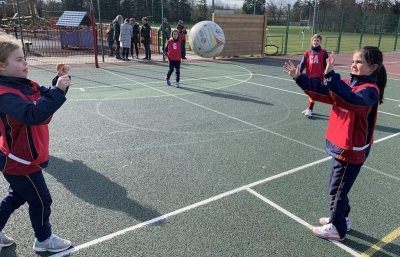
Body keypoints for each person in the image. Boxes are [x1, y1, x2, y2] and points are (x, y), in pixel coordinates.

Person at [283, 46, 387, 241]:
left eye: (359, 62)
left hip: (351, 150)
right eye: (353, 61)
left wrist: (331, 76)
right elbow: (324, 92)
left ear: (373, 67)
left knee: (337, 190)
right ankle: (342, 218)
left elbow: (350, 100)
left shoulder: (369, 91)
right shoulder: (348, 84)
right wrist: (300, 78)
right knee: (338, 187)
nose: (354, 64)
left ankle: (337, 229)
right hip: (340, 146)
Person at [0, 35, 73, 252]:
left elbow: (44, 97)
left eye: (24, 58)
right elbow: (33, 114)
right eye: (19, 59)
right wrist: (58, 91)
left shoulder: (26, 85)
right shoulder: (5, 95)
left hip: (25, 156)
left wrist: (58, 82)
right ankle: (44, 240)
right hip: (19, 160)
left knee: (17, 197)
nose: (25, 63)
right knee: (41, 200)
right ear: (2, 66)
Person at [299, 34, 328, 118]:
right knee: (310, 93)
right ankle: (309, 108)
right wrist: (298, 73)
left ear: (320, 42)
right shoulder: (307, 53)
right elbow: (302, 64)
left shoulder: (323, 52)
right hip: (309, 76)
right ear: (312, 41)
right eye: (314, 40)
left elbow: (326, 65)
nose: (316, 42)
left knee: (313, 93)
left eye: (318, 41)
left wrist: (326, 75)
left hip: (318, 76)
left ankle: (310, 109)